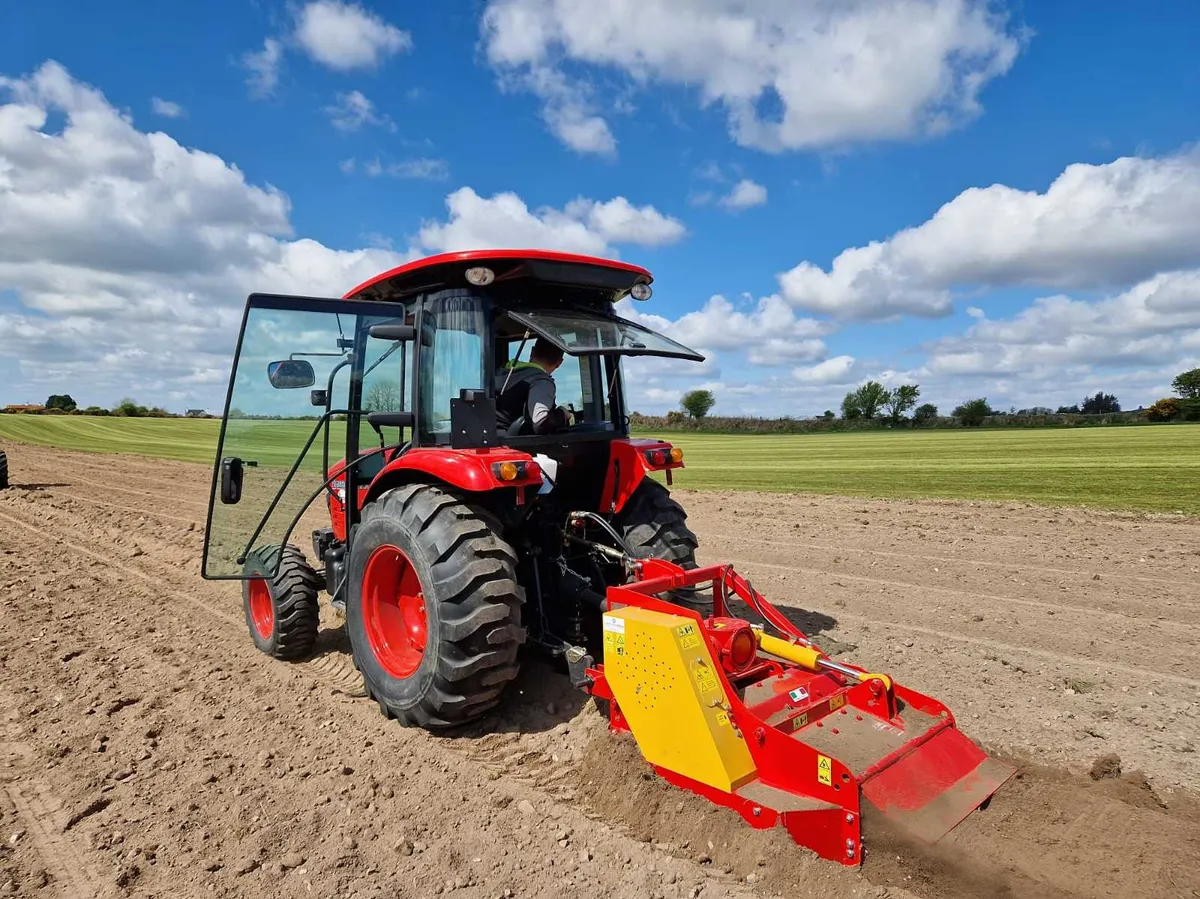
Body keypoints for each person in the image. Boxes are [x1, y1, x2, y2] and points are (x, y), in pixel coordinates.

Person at [494, 337, 571, 435]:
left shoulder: (501, 372)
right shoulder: (541, 381)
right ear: (559, 362)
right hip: (517, 446)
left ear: (532, 351)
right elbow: (541, 423)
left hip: (490, 440)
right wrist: (563, 414)